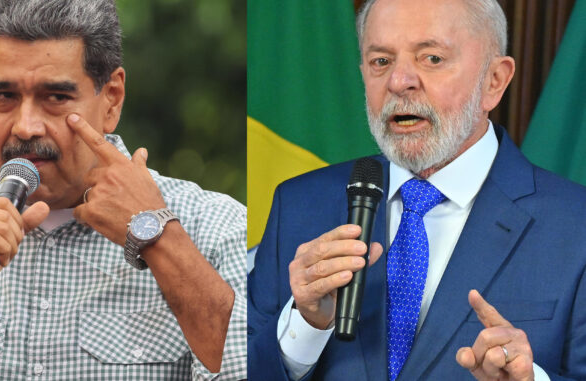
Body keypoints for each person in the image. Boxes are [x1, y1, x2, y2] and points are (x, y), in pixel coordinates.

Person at [247, 0, 586, 380]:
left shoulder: (576, 227)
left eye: (432, 59)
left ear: (495, 81)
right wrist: (305, 328)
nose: (398, 81)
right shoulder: (299, 205)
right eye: (381, 62)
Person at [0, 0, 246, 380]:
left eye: (55, 97)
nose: (26, 127)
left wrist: (159, 237)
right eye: (3, 96)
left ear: (112, 99)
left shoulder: (217, 227)